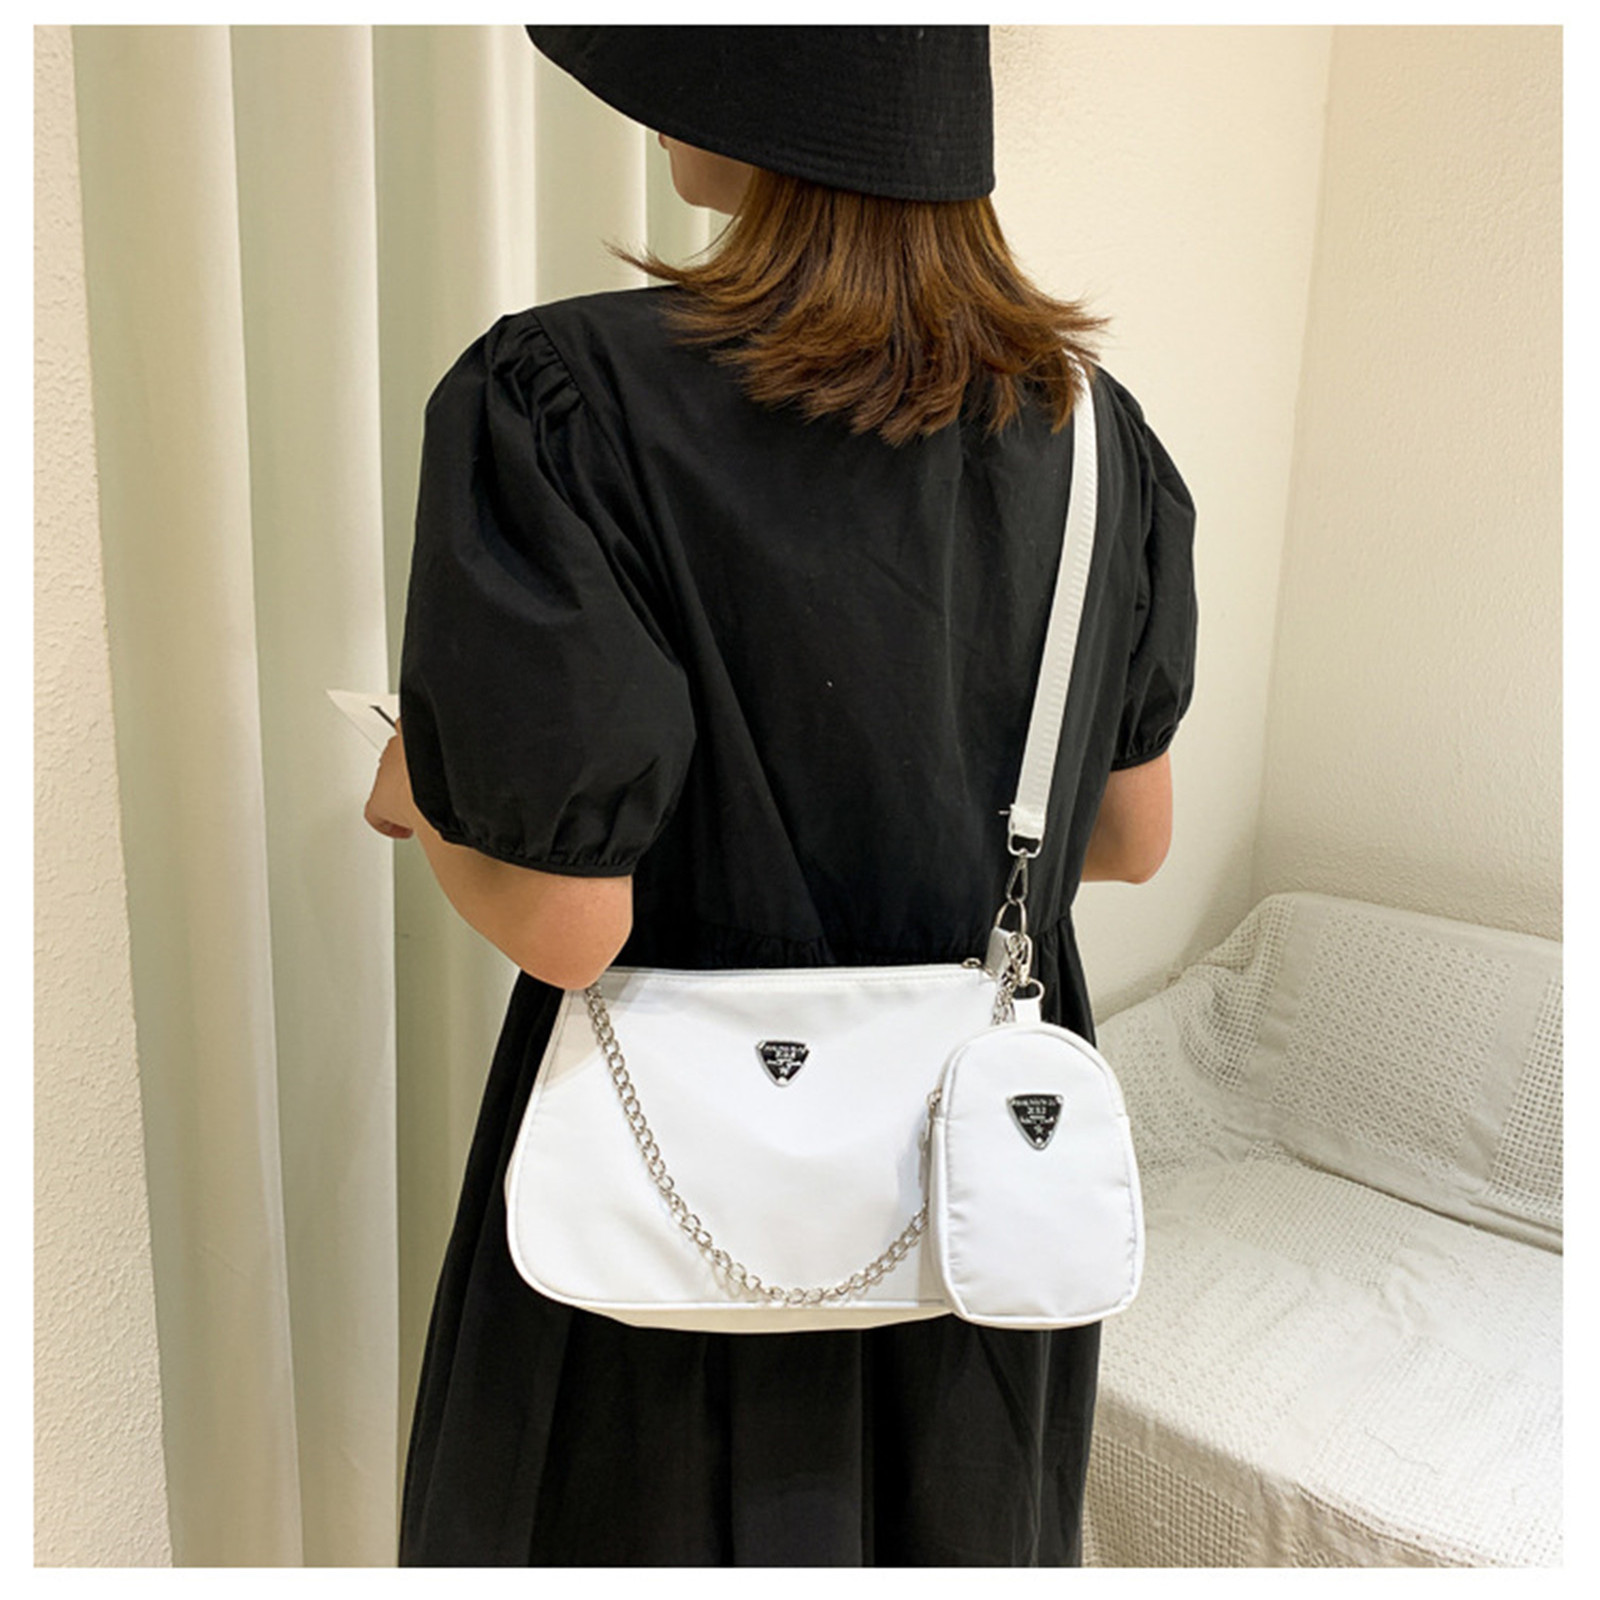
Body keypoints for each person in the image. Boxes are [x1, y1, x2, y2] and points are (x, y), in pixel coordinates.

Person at [364, 25, 1197, 1567]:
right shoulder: (1098, 439)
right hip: (977, 1213)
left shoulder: (558, 396)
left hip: (657, 1220)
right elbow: (1131, 839)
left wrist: (430, 782)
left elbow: (564, 926)